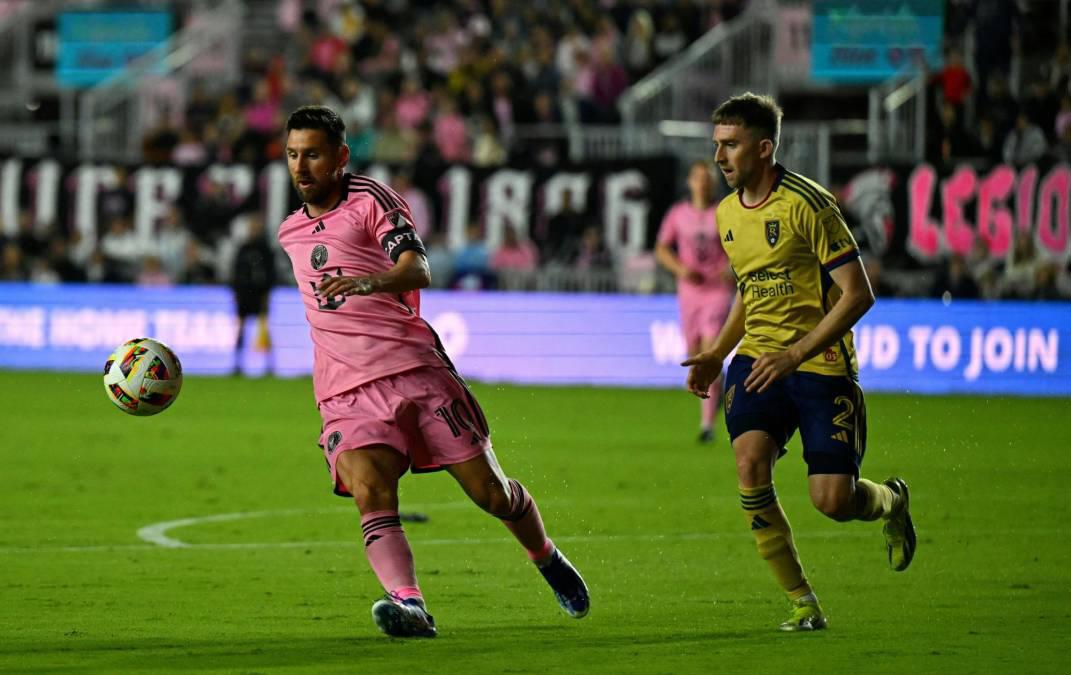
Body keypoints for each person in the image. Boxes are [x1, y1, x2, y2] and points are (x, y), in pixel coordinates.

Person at [277, 106, 589, 638]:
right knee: (370, 491)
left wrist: (367, 283)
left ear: (340, 157)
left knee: (492, 494)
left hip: (413, 370)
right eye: (291, 155)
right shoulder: (290, 231)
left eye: (312, 154)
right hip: (344, 389)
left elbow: (417, 267)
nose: (300, 167)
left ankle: (545, 555)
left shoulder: (372, 200)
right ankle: (410, 605)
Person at [681, 93, 915, 633]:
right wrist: (718, 352)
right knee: (749, 466)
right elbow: (751, 289)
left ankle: (892, 501)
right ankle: (803, 602)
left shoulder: (811, 205)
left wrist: (796, 353)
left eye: (731, 145)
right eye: (716, 145)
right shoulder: (726, 214)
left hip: (819, 363)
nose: (719, 157)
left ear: (764, 149)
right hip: (759, 362)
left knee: (832, 500)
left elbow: (858, 294)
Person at [655, 161, 735, 443]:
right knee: (693, 351)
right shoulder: (678, 214)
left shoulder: (725, 212)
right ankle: (719, 386)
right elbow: (662, 248)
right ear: (690, 182)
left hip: (718, 290)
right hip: (690, 291)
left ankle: (706, 425)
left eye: (708, 178)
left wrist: (732, 267)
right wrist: (681, 270)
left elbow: (741, 246)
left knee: (709, 348)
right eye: (698, 178)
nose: (703, 183)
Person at [231, 213, 277, 376]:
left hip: (259, 294)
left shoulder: (266, 250)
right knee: (241, 329)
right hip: (244, 294)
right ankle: (237, 363)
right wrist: (236, 291)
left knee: (263, 329)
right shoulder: (243, 248)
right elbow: (236, 273)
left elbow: (272, 274)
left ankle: (270, 365)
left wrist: (267, 293)